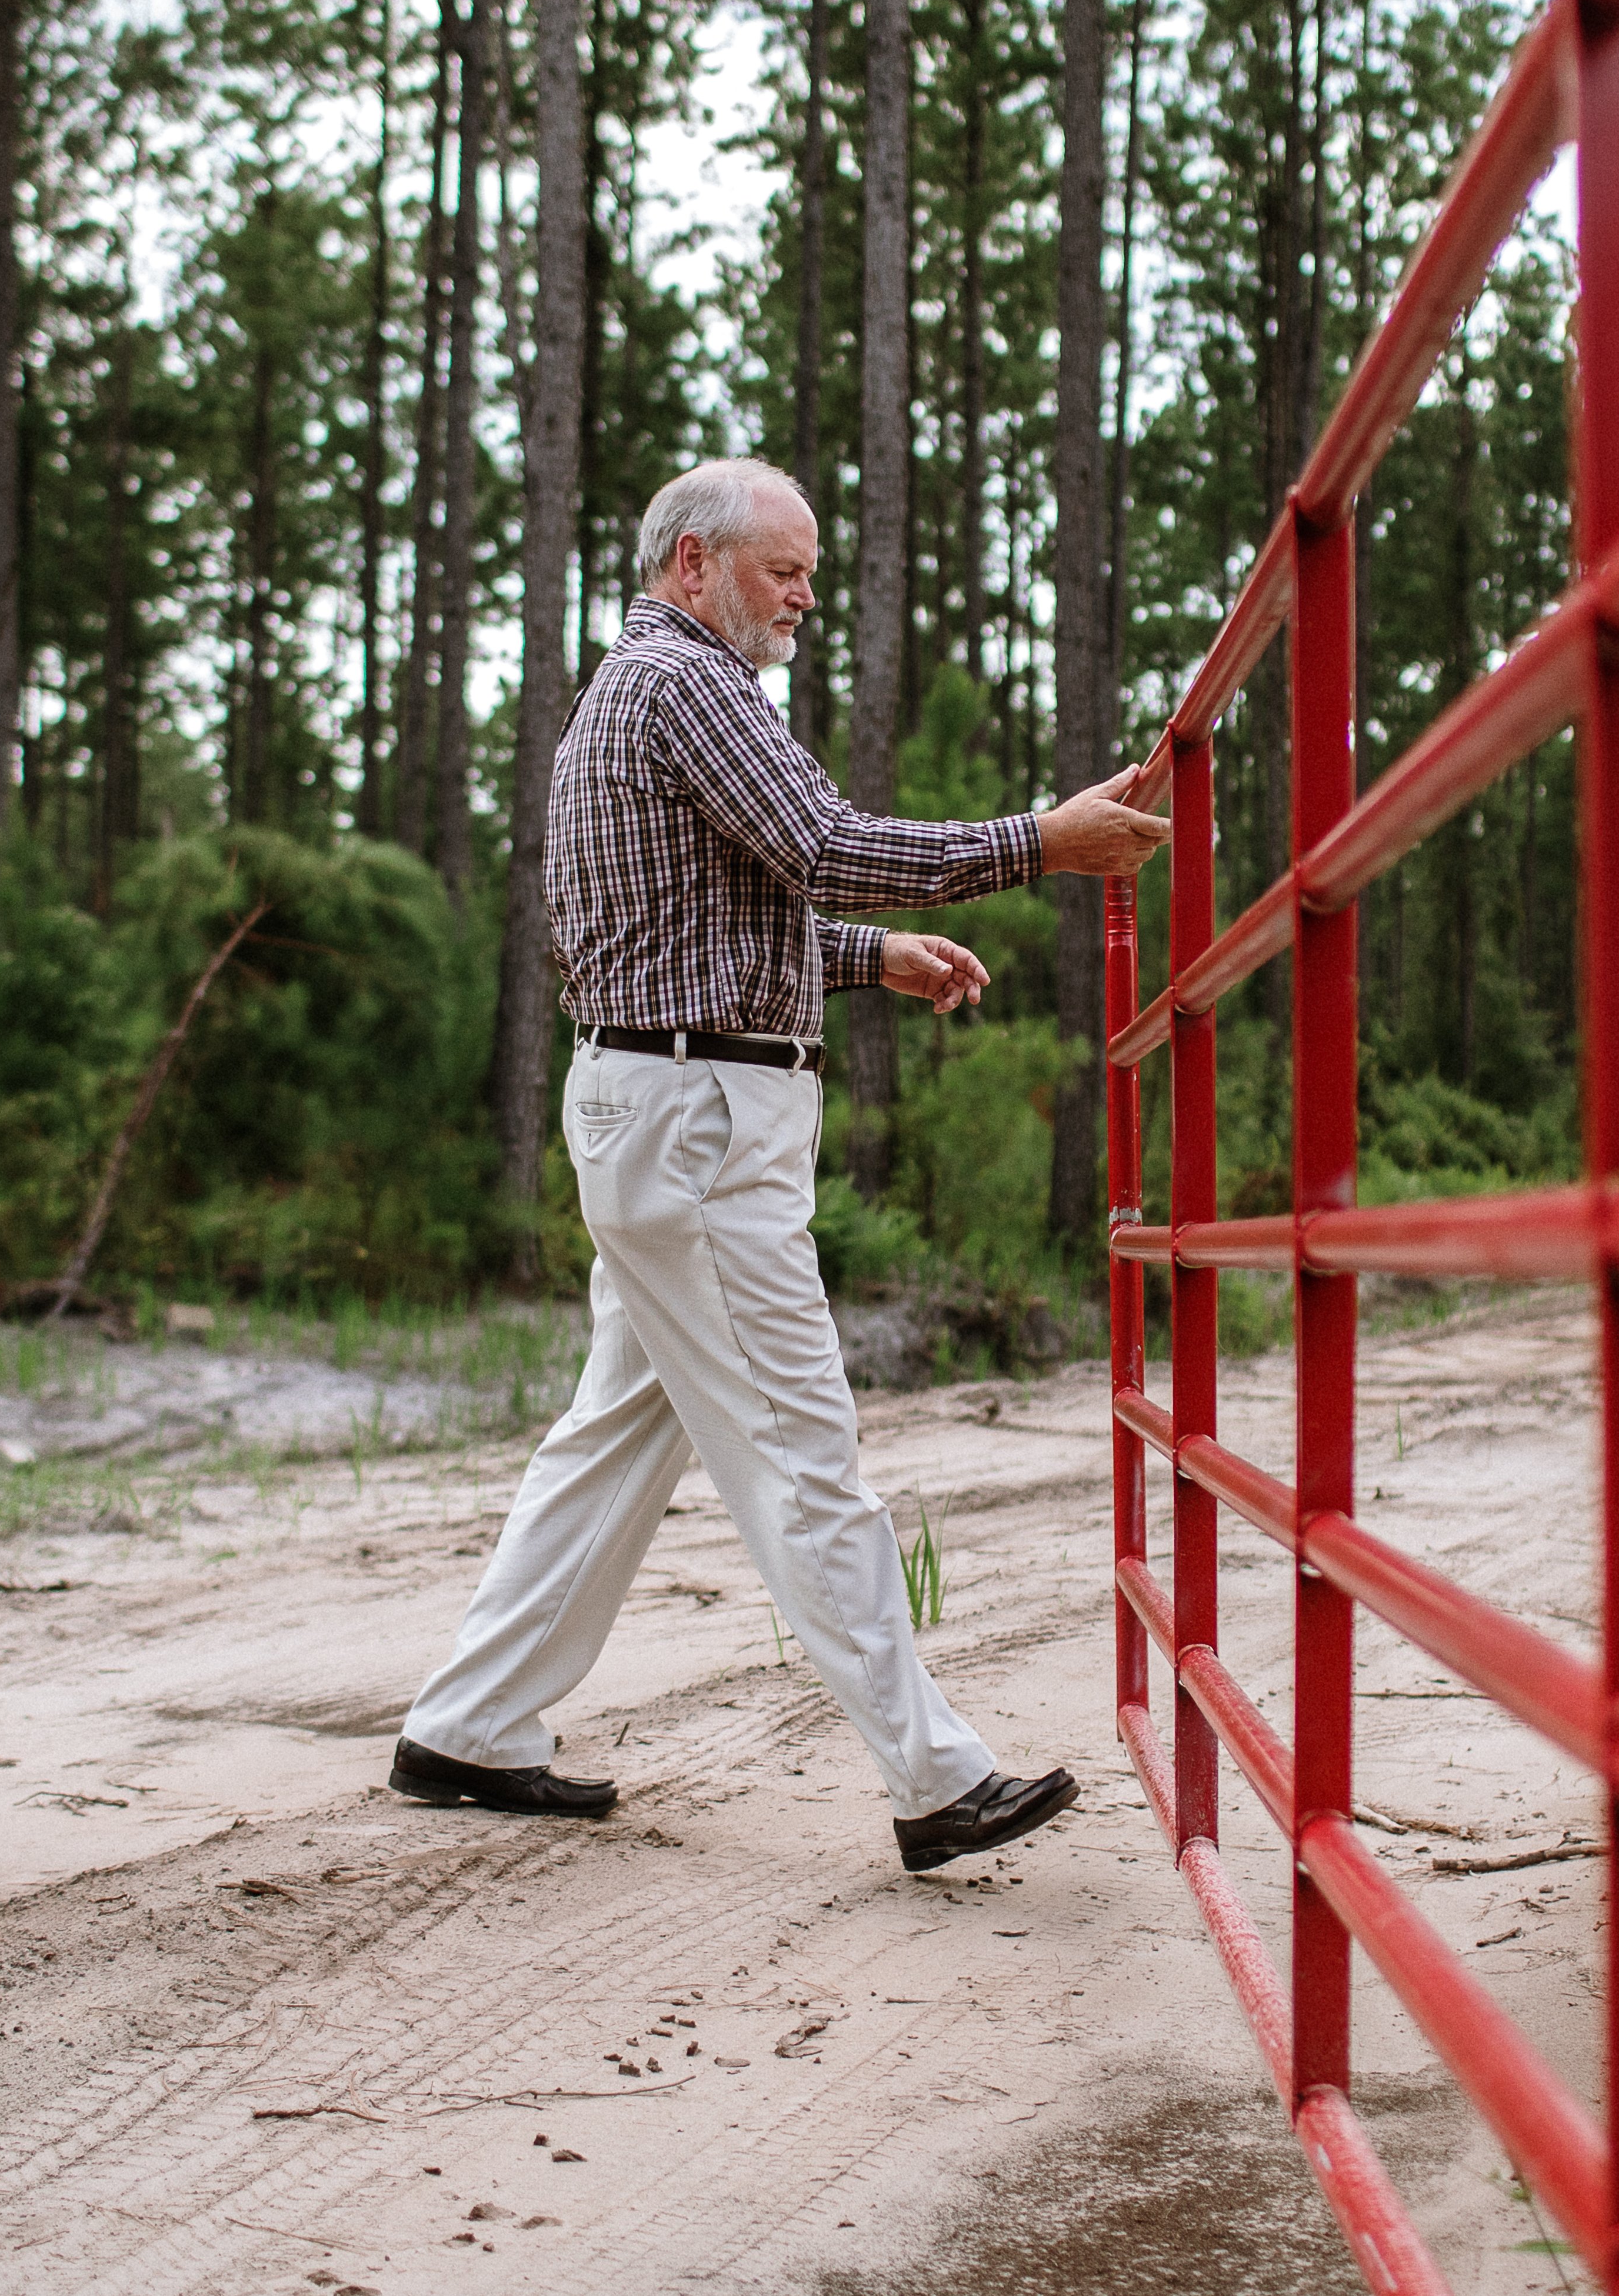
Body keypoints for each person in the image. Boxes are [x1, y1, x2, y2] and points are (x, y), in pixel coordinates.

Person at [391, 457, 1170, 1873]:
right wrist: (1037, 844)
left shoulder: (639, 692)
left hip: (670, 1109)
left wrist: (874, 958)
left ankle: (470, 1723)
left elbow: (706, 926)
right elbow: (822, 845)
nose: (806, 596)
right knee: (805, 1452)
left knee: (613, 1439)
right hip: (695, 1131)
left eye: (811, 571)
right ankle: (934, 1774)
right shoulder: (683, 683)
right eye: (782, 569)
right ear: (691, 564)